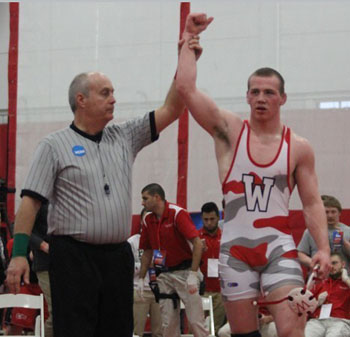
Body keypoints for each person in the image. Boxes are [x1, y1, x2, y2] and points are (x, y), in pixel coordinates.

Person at [5, 36, 203, 337]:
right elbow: (30, 204)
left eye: (113, 92)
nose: (114, 98)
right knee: (75, 331)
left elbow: (172, 109)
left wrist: (185, 58)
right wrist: (19, 254)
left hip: (116, 257)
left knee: (117, 330)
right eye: (105, 92)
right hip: (72, 258)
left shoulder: (125, 136)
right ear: (81, 100)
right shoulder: (54, 145)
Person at [176, 12, 331, 337]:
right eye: (255, 92)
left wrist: (323, 248)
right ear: (247, 96)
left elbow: (312, 202)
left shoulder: (298, 147)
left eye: (269, 92)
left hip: (278, 249)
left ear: (283, 98)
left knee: (292, 330)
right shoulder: (230, 132)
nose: (261, 98)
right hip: (236, 253)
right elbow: (187, 90)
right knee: (244, 334)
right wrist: (188, 42)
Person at [138, 183, 208, 337]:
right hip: (164, 275)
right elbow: (147, 251)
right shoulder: (148, 219)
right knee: (168, 325)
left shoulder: (177, 213)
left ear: (157, 197)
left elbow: (197, 243)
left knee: (196, 322)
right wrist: (141, 278)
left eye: (145, 198)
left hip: (185, 272)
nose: (142, 203)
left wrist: (193, 274)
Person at [128, 208, 162, 337]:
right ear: (142, 221)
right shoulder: (133, 242)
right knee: (137, 332)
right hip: (139, 290)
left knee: (159, 332)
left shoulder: (161, 239)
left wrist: (158, 265)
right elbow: (126, 267)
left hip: (158, 290)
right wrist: (144, 264)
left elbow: (164, 266)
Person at [298, 195, 350, 270]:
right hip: (318, 276)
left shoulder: (348, 230)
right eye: (326, 212)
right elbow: (300, 255)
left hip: (343, 278)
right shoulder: (311, 231)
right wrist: (314, 264)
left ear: (339, 213)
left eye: (333, 212)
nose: (330, 215)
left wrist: (345, 242)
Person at [305, 252, 350, 336]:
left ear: (343, 264)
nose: (332, 267)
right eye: (329, 264)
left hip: (340, 322)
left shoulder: (347, 283)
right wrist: (316, 303)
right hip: (317, 321)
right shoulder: (319, 282)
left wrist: (346, 279)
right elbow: (302, 302)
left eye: (335, 263)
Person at [199, 202, 226, 334]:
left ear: (218, 218)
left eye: (212, 219)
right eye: (205, 219)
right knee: (199, 329)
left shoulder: (226, 237)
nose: (209, 223)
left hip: (220, 290)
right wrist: (197, 251)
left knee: (216, 330)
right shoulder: (196, 238)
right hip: (201, 291)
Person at [29, 202, 53, 337]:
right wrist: (43, 246)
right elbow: (22, 228)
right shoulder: (40, 200)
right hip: (45, 264)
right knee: (57, 312)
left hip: (68, 262)